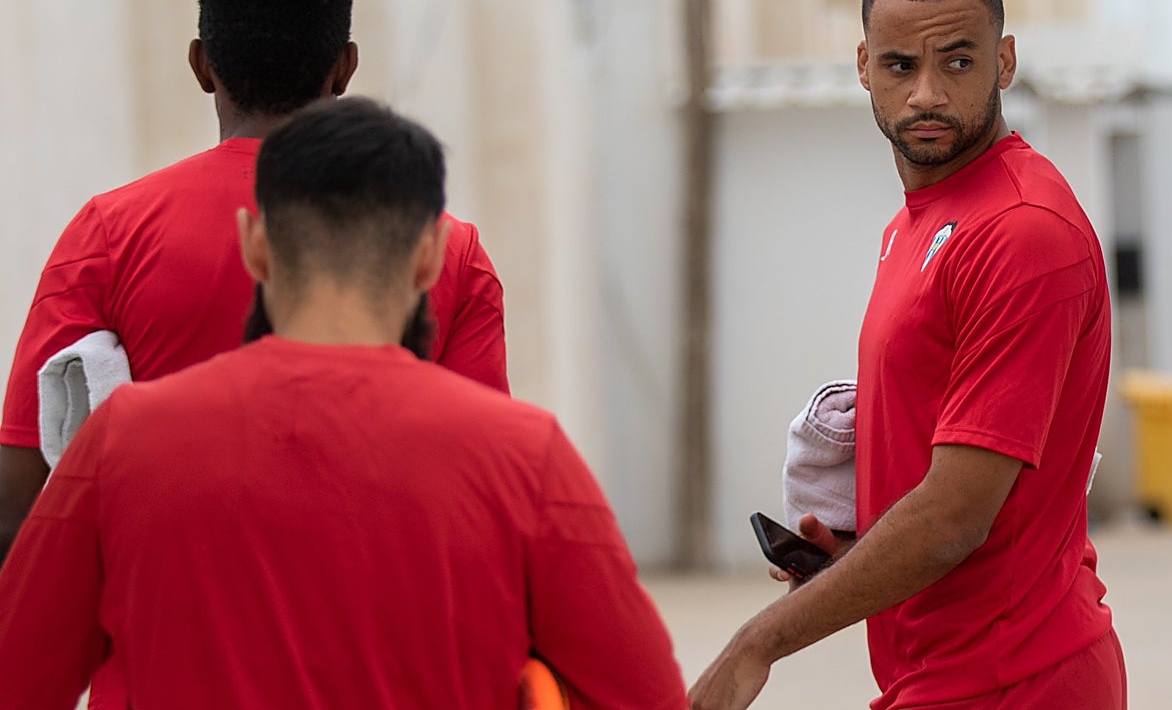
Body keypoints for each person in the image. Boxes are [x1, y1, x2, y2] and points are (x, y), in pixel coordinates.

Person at [0, 97, 687, 710]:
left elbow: (19, 679)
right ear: (427, 259)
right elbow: (645, 694)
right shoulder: (524, 456)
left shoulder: (124, 441)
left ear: (256, 248)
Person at [689, 0, 1125, 709]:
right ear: (864, 67)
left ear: (1006, 61)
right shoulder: (918, 223)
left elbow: (956, 516)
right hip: (945, 672)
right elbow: (946, 491)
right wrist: (855, 560)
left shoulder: (1022, 232)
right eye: (900, 66)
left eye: (958, 61)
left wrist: (759, 643)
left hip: (1016, 677)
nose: (927, 93)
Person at [0, 0, 508, 564]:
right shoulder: (443, 249)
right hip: (375, 654)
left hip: (164, 651)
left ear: (202, 65)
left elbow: (19, 501)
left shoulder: (108, 234)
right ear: (344, 69)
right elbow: (478, 495)